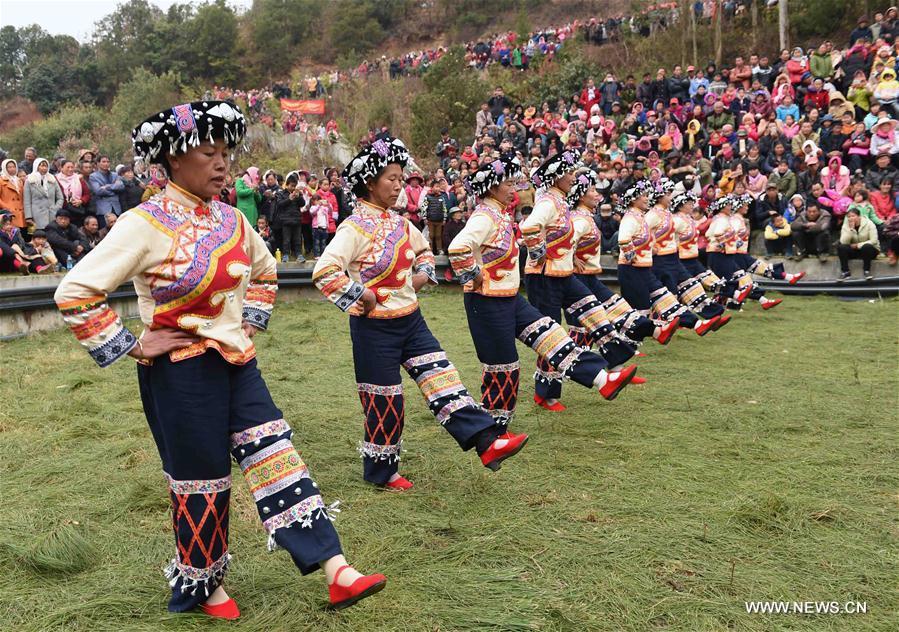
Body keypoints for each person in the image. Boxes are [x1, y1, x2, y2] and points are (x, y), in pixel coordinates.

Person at [54, 100, 386, 619]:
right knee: (202, 479)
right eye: (209, 153)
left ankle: (335, 568)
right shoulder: (144, 224)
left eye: (226, 153)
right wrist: (134, 344)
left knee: (278, 459)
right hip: (181, 372)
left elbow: (265, 270)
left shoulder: (232, 219)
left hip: (237, 363)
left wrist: (248, 319)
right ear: (173, 159)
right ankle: (204, 584)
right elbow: (75, 291)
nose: (222, 164)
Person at [313, 136, 527, 490]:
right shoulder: (353, 229)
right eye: (392, 179)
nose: (399, 185)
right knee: (385, 402)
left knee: (443, 379)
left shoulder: (400, 223)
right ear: (370, 183)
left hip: (412, 321)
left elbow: (425, 250)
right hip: (374, 330)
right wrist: (362, 295)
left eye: (401, 178)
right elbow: (325, 271)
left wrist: (421, 276)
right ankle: (382, 472)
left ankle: (488, 443)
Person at [447, 156, 635, 430]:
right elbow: (458, 248)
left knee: (551, 335)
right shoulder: (485, 216)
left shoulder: (499, 213)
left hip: (510, 297)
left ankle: (602, 379)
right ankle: (493, 429)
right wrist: (475, 277)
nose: (515, 189)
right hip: (486, 301)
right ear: (491, 187)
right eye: (509, 184)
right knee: (504, 366)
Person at [521, 150, 638, 411]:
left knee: (594, 309)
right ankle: (546, 392)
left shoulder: (560, 202)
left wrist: (569, 256)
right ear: (557, 177)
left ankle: (615, 365)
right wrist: (539, 252)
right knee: (550, 334)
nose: (574, 177)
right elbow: (529, 227)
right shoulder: (548, 202)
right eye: (570, 173)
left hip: (563, 274)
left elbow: (564, 237)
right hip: (544, 277)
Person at [565, 167, 679, 353]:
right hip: (580, 277)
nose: (596, 194)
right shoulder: (581, 220)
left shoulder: (586, 217)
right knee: (592, 321)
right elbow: (567, 241)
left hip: (589, 276)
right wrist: (572, 258)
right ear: (580, 196)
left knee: (616, 309)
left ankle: (656, 333)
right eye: (592, 190)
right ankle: (584, 363)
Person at [617, 181, 718, 337]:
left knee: (666, 298)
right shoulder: (632, 217)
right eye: (643, 195)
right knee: (639, 309)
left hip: (645, 267)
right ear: (633, 200)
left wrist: (651, 246)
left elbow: (647, 237)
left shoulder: (642, 216)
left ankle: (697, 324)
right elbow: (624, 239)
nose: (647, 198)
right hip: (633, 269)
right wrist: (632, 257)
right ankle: (630, 342)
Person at [646, 179, 727, 324]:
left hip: (673, 257)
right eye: (669, 194)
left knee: (691, 285)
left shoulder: (667, 214)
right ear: (660, 196)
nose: (671, 197)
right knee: (670, 293)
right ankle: (667, 322)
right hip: (661, 259)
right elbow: (642, 232)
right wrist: (651, 246)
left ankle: (713, 315)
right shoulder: (653, 214)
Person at [838, 207, 880, 280]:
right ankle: (845, 272)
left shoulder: (869, 224)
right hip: (855, 251)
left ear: (859, 216)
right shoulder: (846, 225)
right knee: (841, 247)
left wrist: (858, 245)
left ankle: (867, 271)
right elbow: (843, 242)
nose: (851, 218)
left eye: (853, 216)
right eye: (849, 217)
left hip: (870, 250)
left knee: (867, 247)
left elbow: (874, 240)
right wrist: (851, 230)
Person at [24, 158, 64, 230]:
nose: (44, 168)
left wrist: (56, 208)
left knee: (51, 236)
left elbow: (60, 197)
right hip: (36, 216)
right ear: (36, 166)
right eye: (42, 166)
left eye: (46, 166)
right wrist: (28, 217)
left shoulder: (52, 179)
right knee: (37, 237)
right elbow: (27, 201)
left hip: (51, 214)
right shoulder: (29, 180)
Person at [275, 173, 305, 262]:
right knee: (286, 240)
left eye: (295, 186)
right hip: (285, 221)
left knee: (297, 239)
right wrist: (289, 199)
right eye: (291, 186)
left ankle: (299, 254)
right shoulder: (281, 194)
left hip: (297, 220)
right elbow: (279, 204)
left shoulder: (297, 193)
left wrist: (299, 197)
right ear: (287, 185)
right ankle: (286, 255)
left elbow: (302, 204)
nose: (293, 188)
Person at [57, 159, 90, 226]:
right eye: (68, 167)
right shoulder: (56, 179)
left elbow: (87, 194)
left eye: (72, 167)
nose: (70, 169)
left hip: (76, 210)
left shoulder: (78, 178)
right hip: (62, 210)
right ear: (61, 168)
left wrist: (81, 201)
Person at [0, 158, 25, 228]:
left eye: (14, 167)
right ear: (5, 168)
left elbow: (22, 196)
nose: (12, 169)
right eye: (9, 167)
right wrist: (7, 208)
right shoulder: (1, 180)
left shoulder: (19, 181)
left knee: (21, 234)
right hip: (8, 213)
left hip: (20, 213)